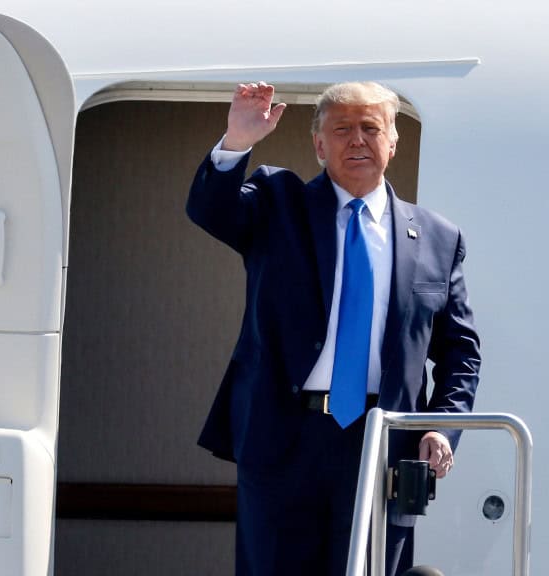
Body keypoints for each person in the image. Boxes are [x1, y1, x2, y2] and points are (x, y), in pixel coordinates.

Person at [186, 81, 481, 576]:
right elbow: (211, 210)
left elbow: (460, 352)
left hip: (383, 445)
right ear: (319, 145)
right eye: (341, 129)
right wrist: (237, 139)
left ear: (392, 142)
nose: (357, 140)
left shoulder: (436, 237)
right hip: (285, 438)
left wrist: (442, 426)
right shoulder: (278, 203)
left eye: (371, 128)